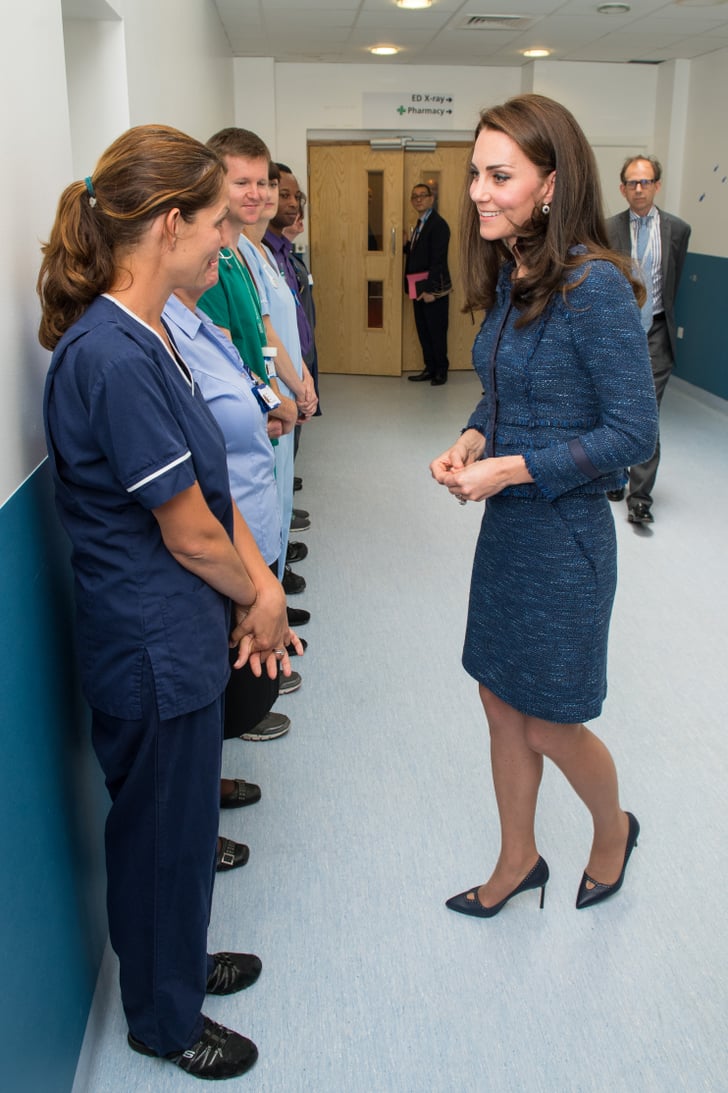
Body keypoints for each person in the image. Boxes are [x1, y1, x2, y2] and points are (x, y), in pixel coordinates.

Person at [38, 124, 298, 1080]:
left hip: (180, 631)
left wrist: (258, 586)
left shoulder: (151, 335)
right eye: (219, 221)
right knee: (157, 841)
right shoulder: (110, 354)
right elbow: (187, 530)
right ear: (169, 222)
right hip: (151, 647)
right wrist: (259, 599)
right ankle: (160, 1018)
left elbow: (208, 488)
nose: (229, 240)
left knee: (185, 832)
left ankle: (176, 971)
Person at [430, 95, 658, 919]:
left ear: (552, 184)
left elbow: (633, 429)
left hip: (565, 540)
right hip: (510, 535)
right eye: (474, 175)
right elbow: (504, 391)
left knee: (552, 722)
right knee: (498, 701)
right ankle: (518, 857)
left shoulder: (592, 286)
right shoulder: (514, 270)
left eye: (500, 175)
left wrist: (514, 467)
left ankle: (612, 830)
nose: (479, 192)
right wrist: (470, 434)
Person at [606, 155, 691, 525]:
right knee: (610, 408)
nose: (638, 189)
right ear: (622, 188)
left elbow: (670, 285)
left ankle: (640, 497)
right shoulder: (607, 230)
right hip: (616, 332)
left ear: (657, 185)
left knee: (647, 414)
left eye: (646, 182)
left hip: (655, 332)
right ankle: (613, 473)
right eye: (631, 183)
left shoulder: (677, 230)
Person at [404, 183, 452, 386]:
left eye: (423, 195)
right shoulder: (420, 223)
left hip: (433, 288)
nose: (418, 199)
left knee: (436, 331)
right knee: (423, 330)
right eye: (414, 196)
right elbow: (421, 253)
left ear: (431, 199)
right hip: (418, 286)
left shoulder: (439, 225)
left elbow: (438, 260)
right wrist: (408, 246)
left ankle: (441, 370)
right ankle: (430, 368)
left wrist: (431, 290)